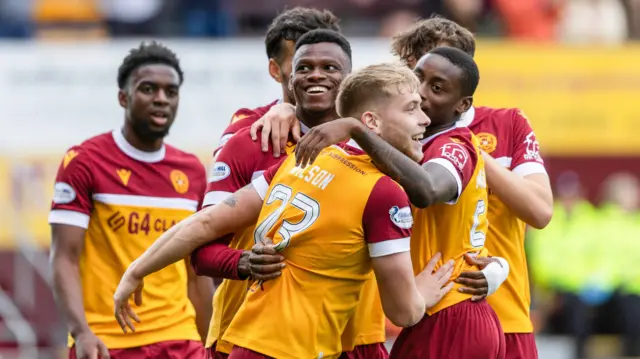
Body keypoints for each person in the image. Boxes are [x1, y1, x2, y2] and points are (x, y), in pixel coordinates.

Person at [252, 16, 553, 359]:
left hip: (494, 311)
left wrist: (470, 151)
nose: (421, 91)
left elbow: (539, 212)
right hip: (415, 311)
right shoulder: (392, 135)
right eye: (416, 74)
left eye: (439, 79)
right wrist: (286, 106)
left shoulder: (500, 125)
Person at [112, 61, 459, 358]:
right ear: (371, 121)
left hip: (246, 343)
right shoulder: (384, 194)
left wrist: (136, 271)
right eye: (411, 108)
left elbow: (205, 223)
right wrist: (423, 295)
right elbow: (402, 310)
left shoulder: (301, 160)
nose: (425, 120)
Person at [293, 46, 506, 359]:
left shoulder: (454, 146)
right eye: (417, 78)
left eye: (437, 88)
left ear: (462, 105)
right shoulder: (402, 152)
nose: (421, 92)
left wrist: (358, 130)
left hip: (450, 313)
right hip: (428, 313)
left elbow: (428, 189)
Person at [192, 9, 343, 359]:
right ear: (276, 70)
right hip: (247, 331)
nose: (315, 75)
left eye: (328, 64)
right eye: (302, 64)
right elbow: (203, 241)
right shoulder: (250, 134)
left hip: (342, 333)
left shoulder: (366, 134)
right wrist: (246, 262)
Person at [48, 42, 212, 359]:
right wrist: (81, 332)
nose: (161, 99)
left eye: (171, 91)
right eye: (148, 89)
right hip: (107, 342)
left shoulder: (191, 171)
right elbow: (63, 257)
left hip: (180, 338)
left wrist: (211, 345)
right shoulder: (84, 161)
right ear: (123, 97)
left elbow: (195, 274)